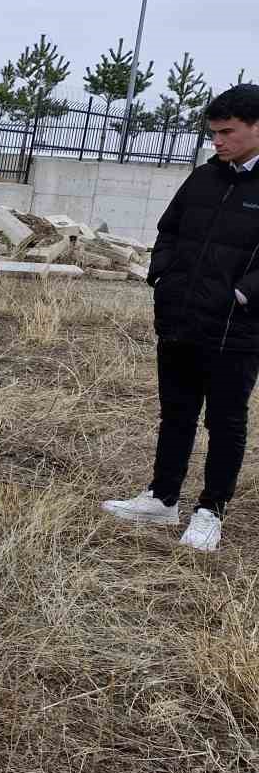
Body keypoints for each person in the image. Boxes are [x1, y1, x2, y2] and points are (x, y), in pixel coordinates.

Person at [102, 83, 259, 552]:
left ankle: (210, 511)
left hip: (236, 329)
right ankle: (162, 497)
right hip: (180, 319)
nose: (218, 142)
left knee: (226, 422)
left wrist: (242, 294)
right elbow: (168, 231)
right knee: (176, 412)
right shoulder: (204, 178)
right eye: (213, 133)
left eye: (227, 132)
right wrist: (162, 277)